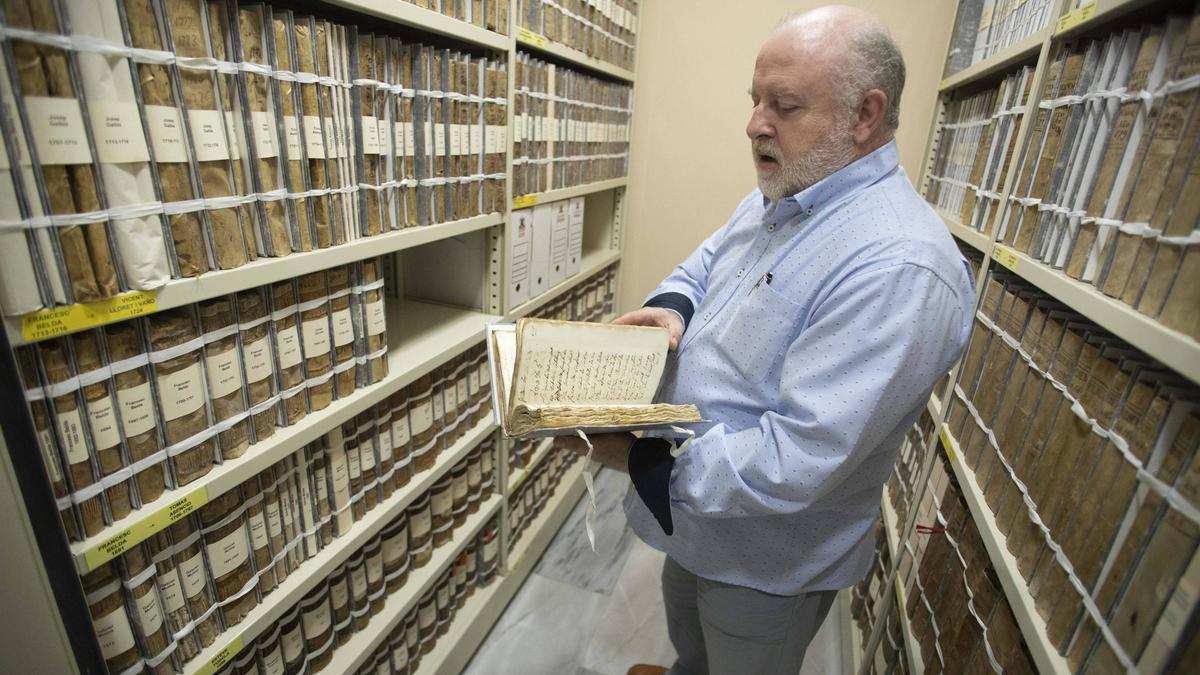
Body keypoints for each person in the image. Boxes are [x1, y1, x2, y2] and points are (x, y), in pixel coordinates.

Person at [556, 5, 975, 675]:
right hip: (699, 525)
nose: (755, 123)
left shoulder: (901, 266)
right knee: (691, 649)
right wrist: (671, 308)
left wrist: (639, 460)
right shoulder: (787, 192)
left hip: (766, 564)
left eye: (784, 104)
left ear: (865, 115)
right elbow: (704, 263)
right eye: (755, 99)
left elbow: (798, 457)